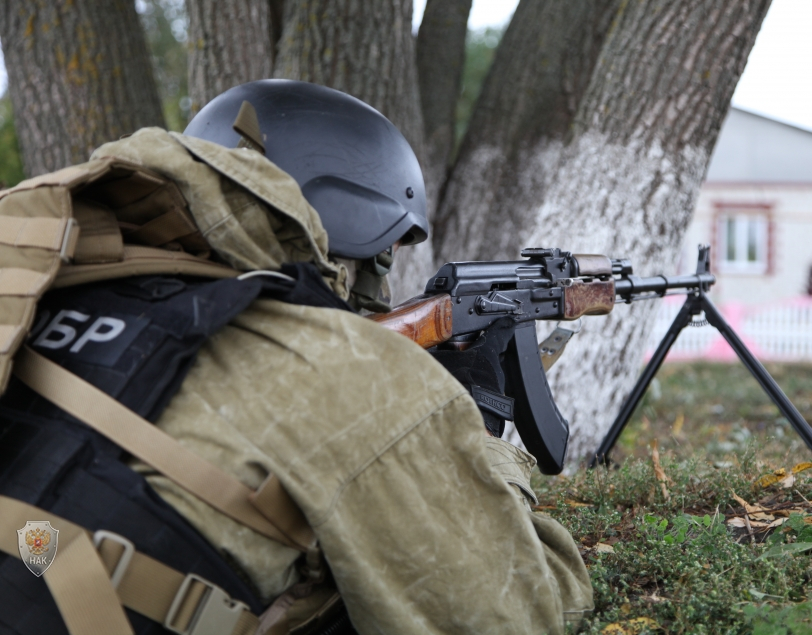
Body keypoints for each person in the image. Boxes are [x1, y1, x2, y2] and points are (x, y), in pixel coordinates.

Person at [0, 80, 592, 635]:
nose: (381, 290)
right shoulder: (346, 374)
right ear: (350, 227)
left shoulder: (41, 291)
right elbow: (520, 610)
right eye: (383, 257)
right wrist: (477, 424)